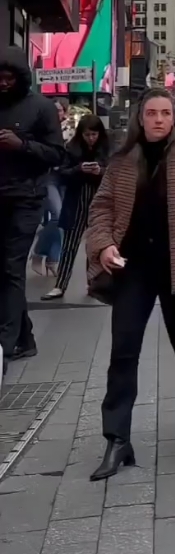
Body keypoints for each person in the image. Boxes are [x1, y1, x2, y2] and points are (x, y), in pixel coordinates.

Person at [85, 90, 175, 480]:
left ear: (174, 118)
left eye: (165, 113)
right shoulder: (122, 161)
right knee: (123, 350)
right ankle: (117, 438)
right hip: (132, 268)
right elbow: (100, 208)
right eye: (151, 113)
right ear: (140, 117)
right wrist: (103, 246)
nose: (157, 120)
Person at [0, 47, 66, 370]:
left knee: (12, 267)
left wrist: (21, 144)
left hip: (28, 198)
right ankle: (24, 338)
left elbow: (57, 153)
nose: (2, 83)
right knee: (4, 270)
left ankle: (5, 343)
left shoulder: (41, 108)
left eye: (8, 78)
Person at [42, 115, 110, 300]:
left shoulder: (108, 148)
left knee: (96, 245)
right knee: (70, 245)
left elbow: (116, 173)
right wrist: (79, 169)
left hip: (99, 203)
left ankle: (94, 284)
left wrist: (100, 171)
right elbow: (62, 174)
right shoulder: (72, 149)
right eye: (87, 134)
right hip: (77, 201)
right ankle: (60, 285)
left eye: (94, 134)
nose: (91, 138)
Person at [31, 100, 70, 278]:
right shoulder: (43, 130)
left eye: (60, 110)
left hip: (66, 177)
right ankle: (38, 254)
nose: (57, 113)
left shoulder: (71, 129)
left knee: (61, 221)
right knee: (57, 215)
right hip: (47, 176)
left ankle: (53, 259)